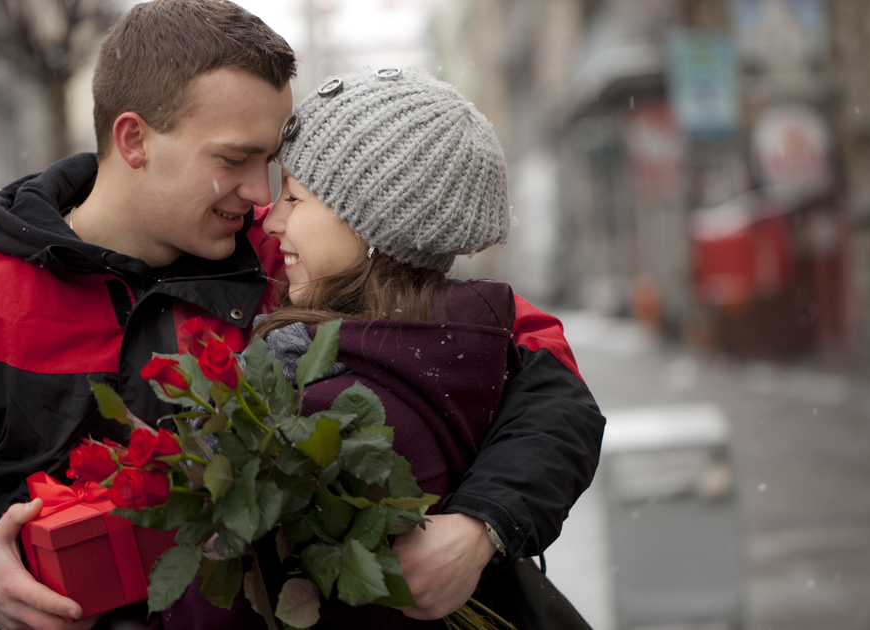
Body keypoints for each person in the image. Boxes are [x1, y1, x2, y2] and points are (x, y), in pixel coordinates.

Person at [0, 2, 603, 630]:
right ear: (134, 140)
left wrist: (484, 525)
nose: (264, 197)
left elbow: (543, 379)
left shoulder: (303, 275)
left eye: (273, 164)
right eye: (234, 161)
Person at [154, 65, 585, 629]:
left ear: (373, 227)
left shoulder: (337, 407)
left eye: (293, 196)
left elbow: (215, 605)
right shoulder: (455, 335)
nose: (269, 216)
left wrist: (484, 524)